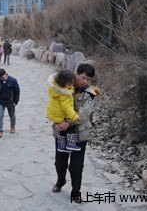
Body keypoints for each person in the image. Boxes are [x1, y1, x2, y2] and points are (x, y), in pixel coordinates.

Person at [49, 64, 99, 204]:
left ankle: (76, 191)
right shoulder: (62, 86)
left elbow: (83, 114)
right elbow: (53, 104)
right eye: (83, 78)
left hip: (80, 133)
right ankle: (60, 181)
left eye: (89, 80)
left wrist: (67, 123)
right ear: (76, 74)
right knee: (60, 161)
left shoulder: (90, 94)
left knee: (76, 166)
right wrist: (57, 121)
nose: (85, 82)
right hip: (61, 131)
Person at [46, 70, 81, 152]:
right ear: (63, 83)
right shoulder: (64, 93)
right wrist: (74, 116)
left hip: (55, 114)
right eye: (69, 84)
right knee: (70, 128)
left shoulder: (55, 89)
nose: (71, 86)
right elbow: (66, 107)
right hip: (61, 114)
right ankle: (71, 144)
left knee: (62, 130)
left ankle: (61, 145)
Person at [0, 69, 20, 138]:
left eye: (3, 77)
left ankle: (12, 126)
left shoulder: (13, 80)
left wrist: (16, 101)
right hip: (1, 101)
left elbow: (17, 91)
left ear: (6, 74)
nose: (2, 79)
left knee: (12, 115)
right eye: (1, 78)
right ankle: (0, 130)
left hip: (10, 101)